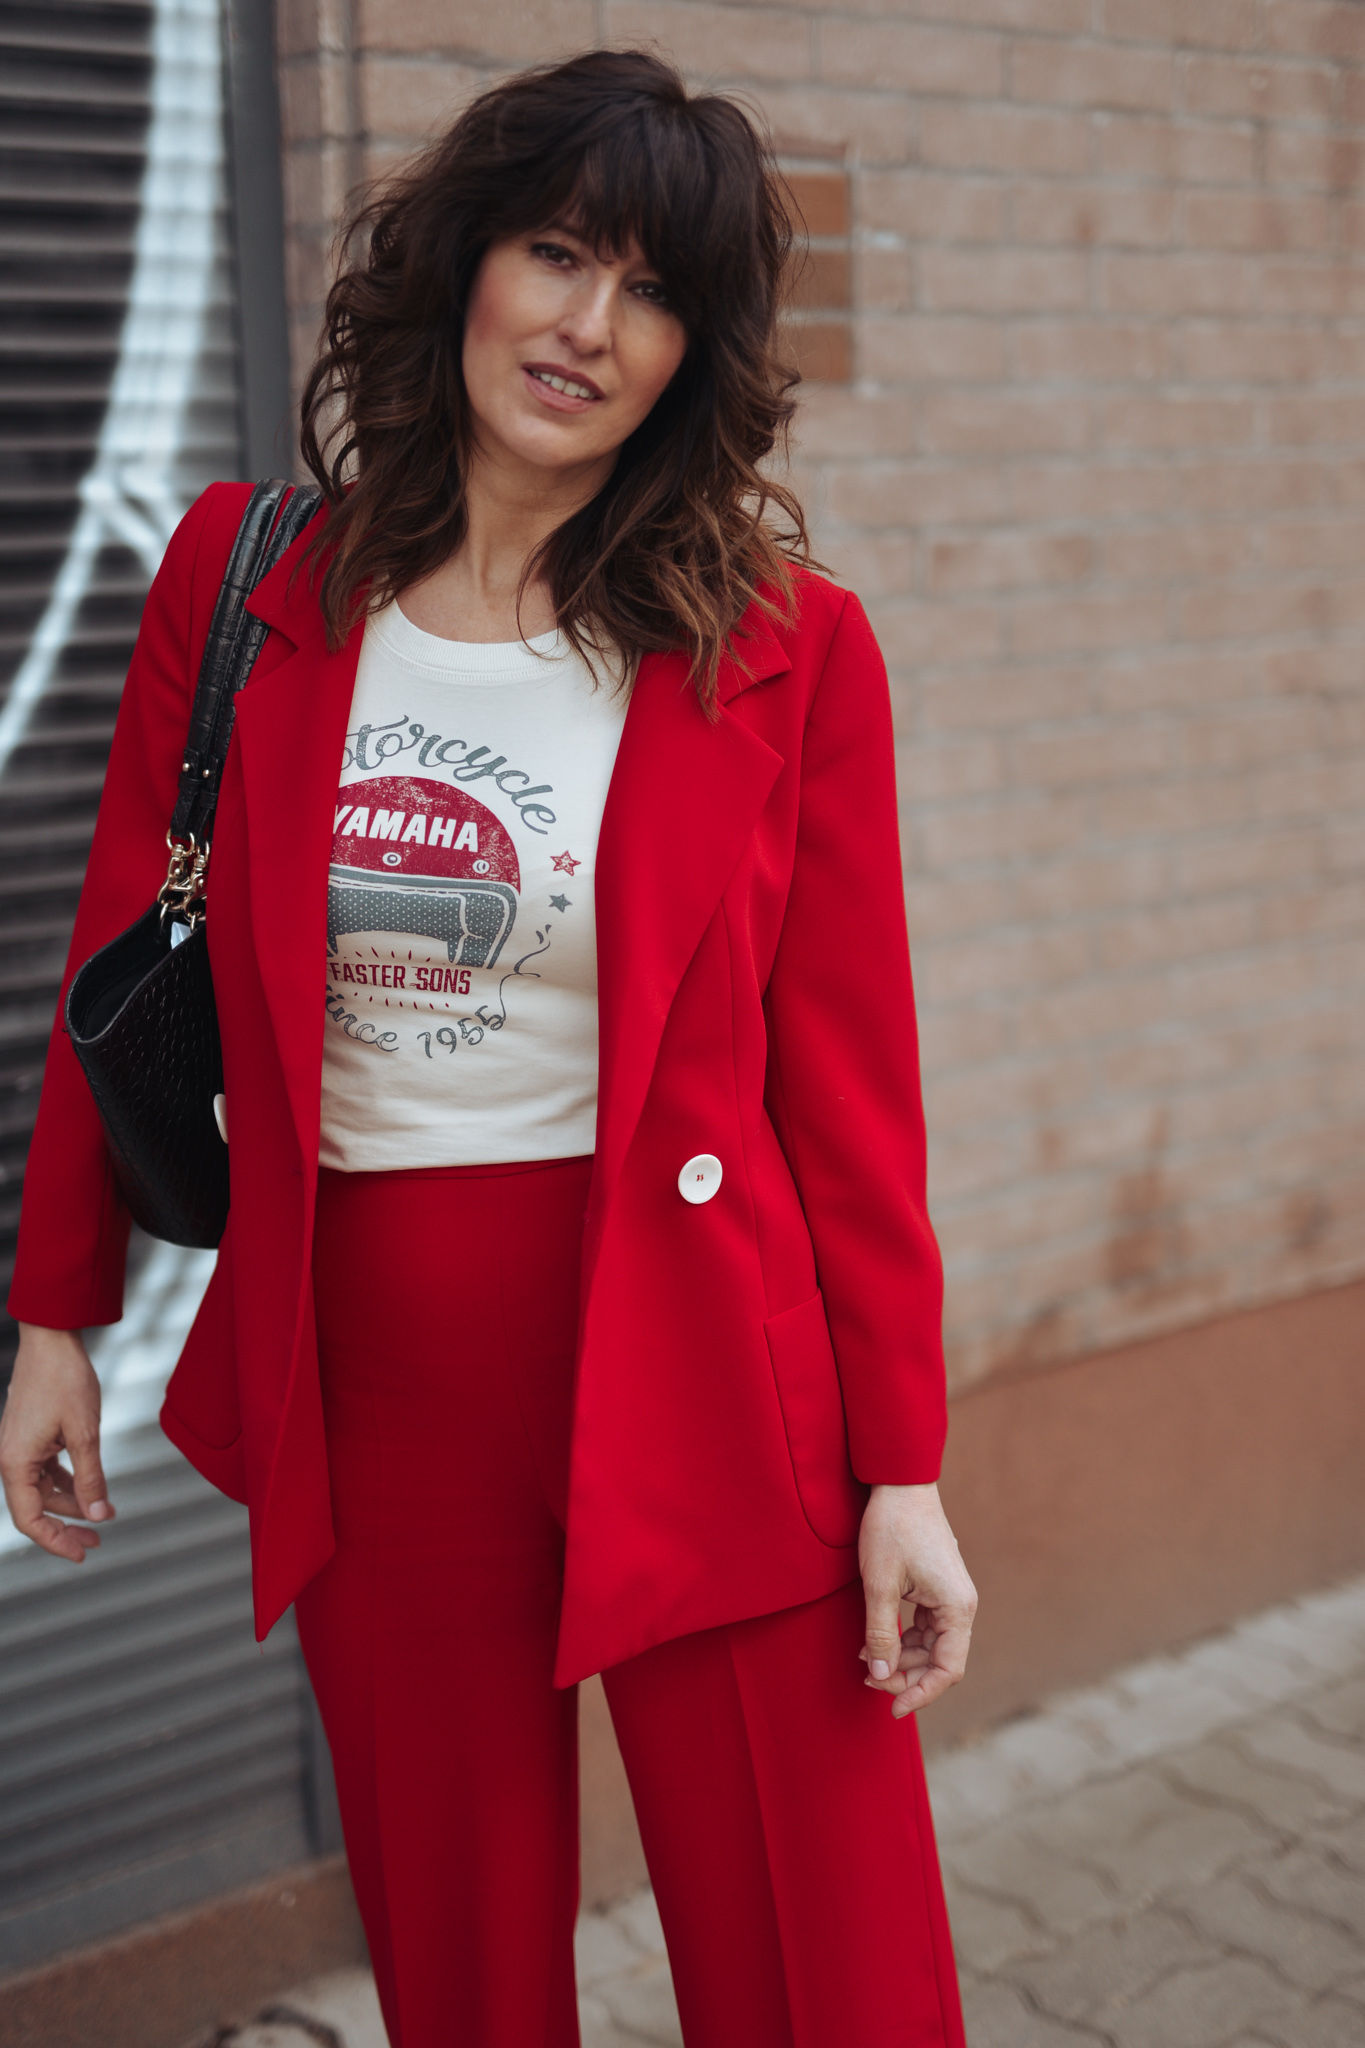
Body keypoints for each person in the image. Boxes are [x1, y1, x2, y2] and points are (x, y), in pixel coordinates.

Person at [0, 49, 977, 2048]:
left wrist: (902, 1471)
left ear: (692, 357)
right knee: (461, 1973)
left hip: (710, 1368)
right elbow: (126, 945)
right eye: (555, 254)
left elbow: (850, 1099)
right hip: (380, 1381)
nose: (587, 325)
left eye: (651, 292)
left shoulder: (783, 646)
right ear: (463, 264)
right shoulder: (248, 582)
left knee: (828, 1975)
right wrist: (54, 1317)